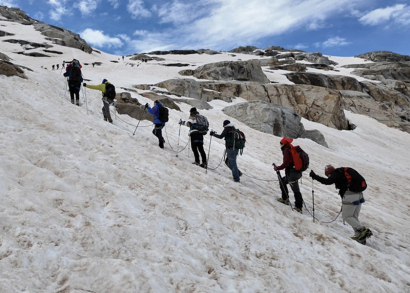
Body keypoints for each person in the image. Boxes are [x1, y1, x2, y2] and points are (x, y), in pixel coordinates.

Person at [309, 165, 373, 244]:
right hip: (359, 194)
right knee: (353, 216)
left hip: (350, 195)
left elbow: (327, 182)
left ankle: (363, 230)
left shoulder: (335, 174)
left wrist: (315, 176)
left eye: (328, 175)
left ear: (329, 173)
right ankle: (359, 236)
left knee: (346, 216)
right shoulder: (343, 171)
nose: (329, 176)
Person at [273, 137, 304, 213]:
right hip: (297, 172)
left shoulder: (286, 150)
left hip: (292, 173)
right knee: (283, 182)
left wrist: (278, 168)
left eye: (280, 144)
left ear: (283, 144)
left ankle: (298, 206)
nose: (280, 145)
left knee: (295, 190)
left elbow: (286, 163)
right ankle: (286, 199)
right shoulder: (290, 148)